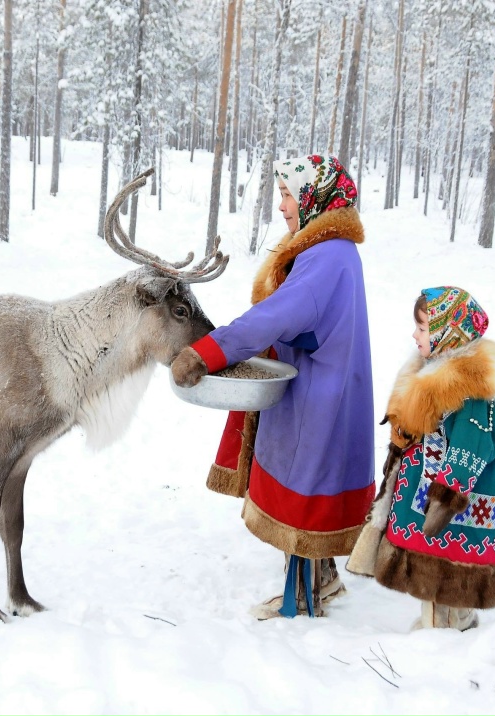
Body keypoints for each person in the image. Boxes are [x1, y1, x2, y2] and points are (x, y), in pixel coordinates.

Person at [171, 155, 375, 619]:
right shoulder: (330, 250)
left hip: (317, 398)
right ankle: (324, 580)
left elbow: (277, 316)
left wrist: (208, 351)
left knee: (303, 491)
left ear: (312, 197)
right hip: (323, 386)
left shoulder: (327, 257)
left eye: (287, 194)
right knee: (309, 484)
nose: (281, 207)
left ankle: (303, 599)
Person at [346, 287, 495, 630]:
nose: (415, 335)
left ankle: (438, 635)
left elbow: (468, 455)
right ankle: (455, 621)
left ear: (448, 333)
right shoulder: (435, 377)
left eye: (423, 328)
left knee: (440, 575)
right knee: (437, 579)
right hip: (430, 511)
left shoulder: (472, 397)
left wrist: (439, 509)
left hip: (449, 519)